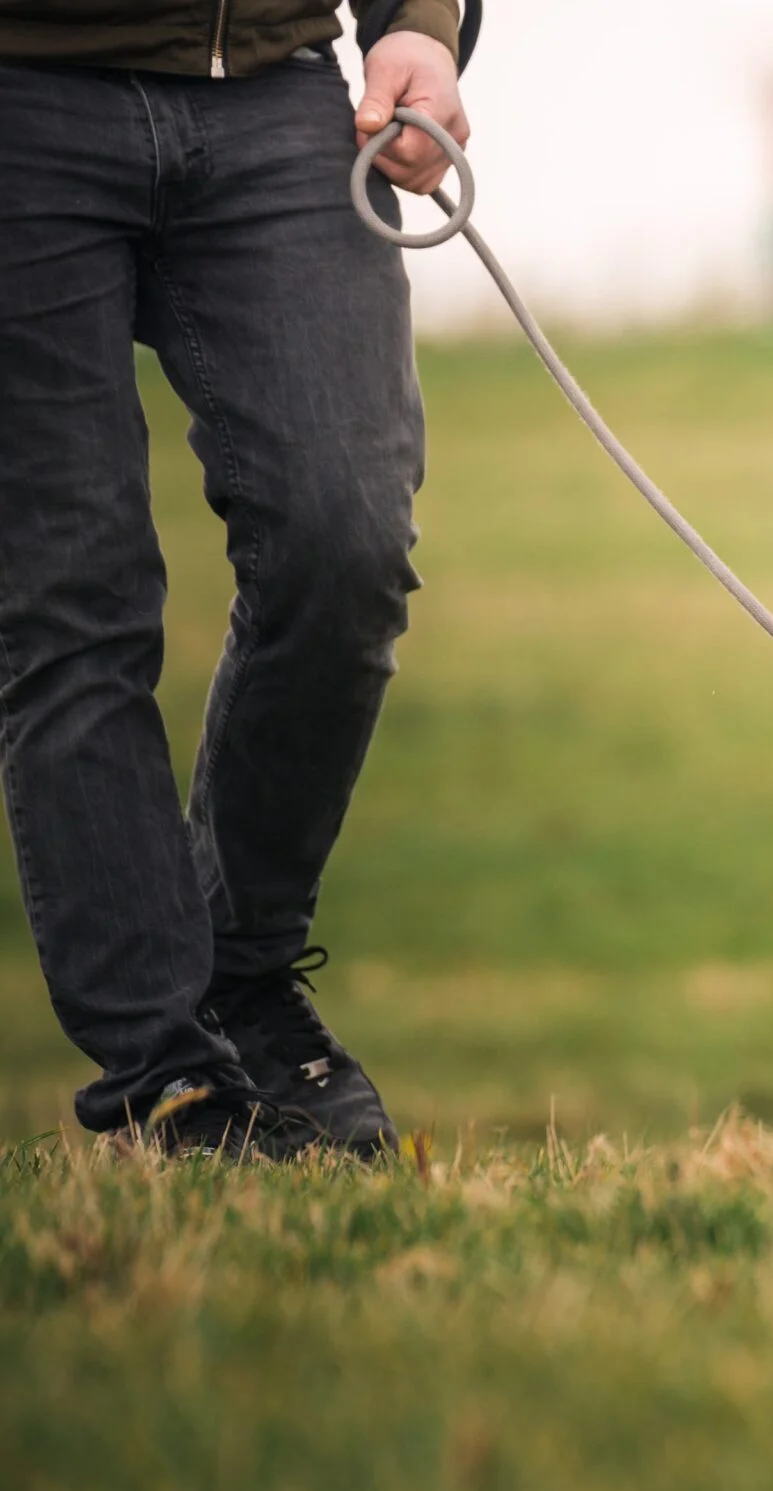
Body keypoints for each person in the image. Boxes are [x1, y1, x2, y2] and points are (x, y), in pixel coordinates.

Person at [0, 2, 473, 1154]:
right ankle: (167, 1074)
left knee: (346, 536)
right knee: (74, 601)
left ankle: (245, 979)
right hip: (21, 96)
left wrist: (419, 26)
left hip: (273, 84)